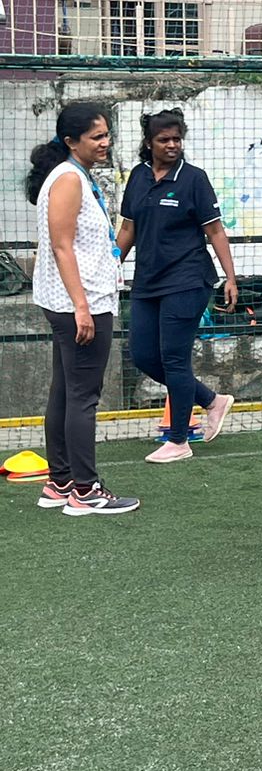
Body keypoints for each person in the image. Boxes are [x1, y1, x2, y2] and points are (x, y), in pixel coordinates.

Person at [28, 103, 139, 515]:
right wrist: (81, 307)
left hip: (76, 300)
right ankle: (85, 490)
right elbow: (62, 246)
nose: (105, 142)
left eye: (107, 134)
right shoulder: (69, 179)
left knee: (66, 391)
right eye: (97, 137)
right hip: (79, 303)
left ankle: (60, 482)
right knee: (82, 396)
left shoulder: (75, 175)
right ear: (72, 141)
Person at [117, 109, 239, 463]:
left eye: (177, 139)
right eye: (164, 140)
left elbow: (215, 231)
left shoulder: (194, 179)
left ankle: (179, 440)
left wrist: (230, 277)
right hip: (147, 282)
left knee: (174, 358)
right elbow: (128, 229)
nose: (172, 145)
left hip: (187, 280)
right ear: (149, 143)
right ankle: (212, 401)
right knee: (143, 355)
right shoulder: (138, 177)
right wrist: (108, 267)